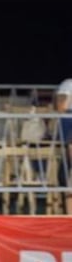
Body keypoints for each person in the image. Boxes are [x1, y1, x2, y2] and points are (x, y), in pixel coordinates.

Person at [55, 78, 72, 214]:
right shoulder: (68, 85)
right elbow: (61, 107)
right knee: (66, 175)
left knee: (66, 174)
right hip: (68, 128)